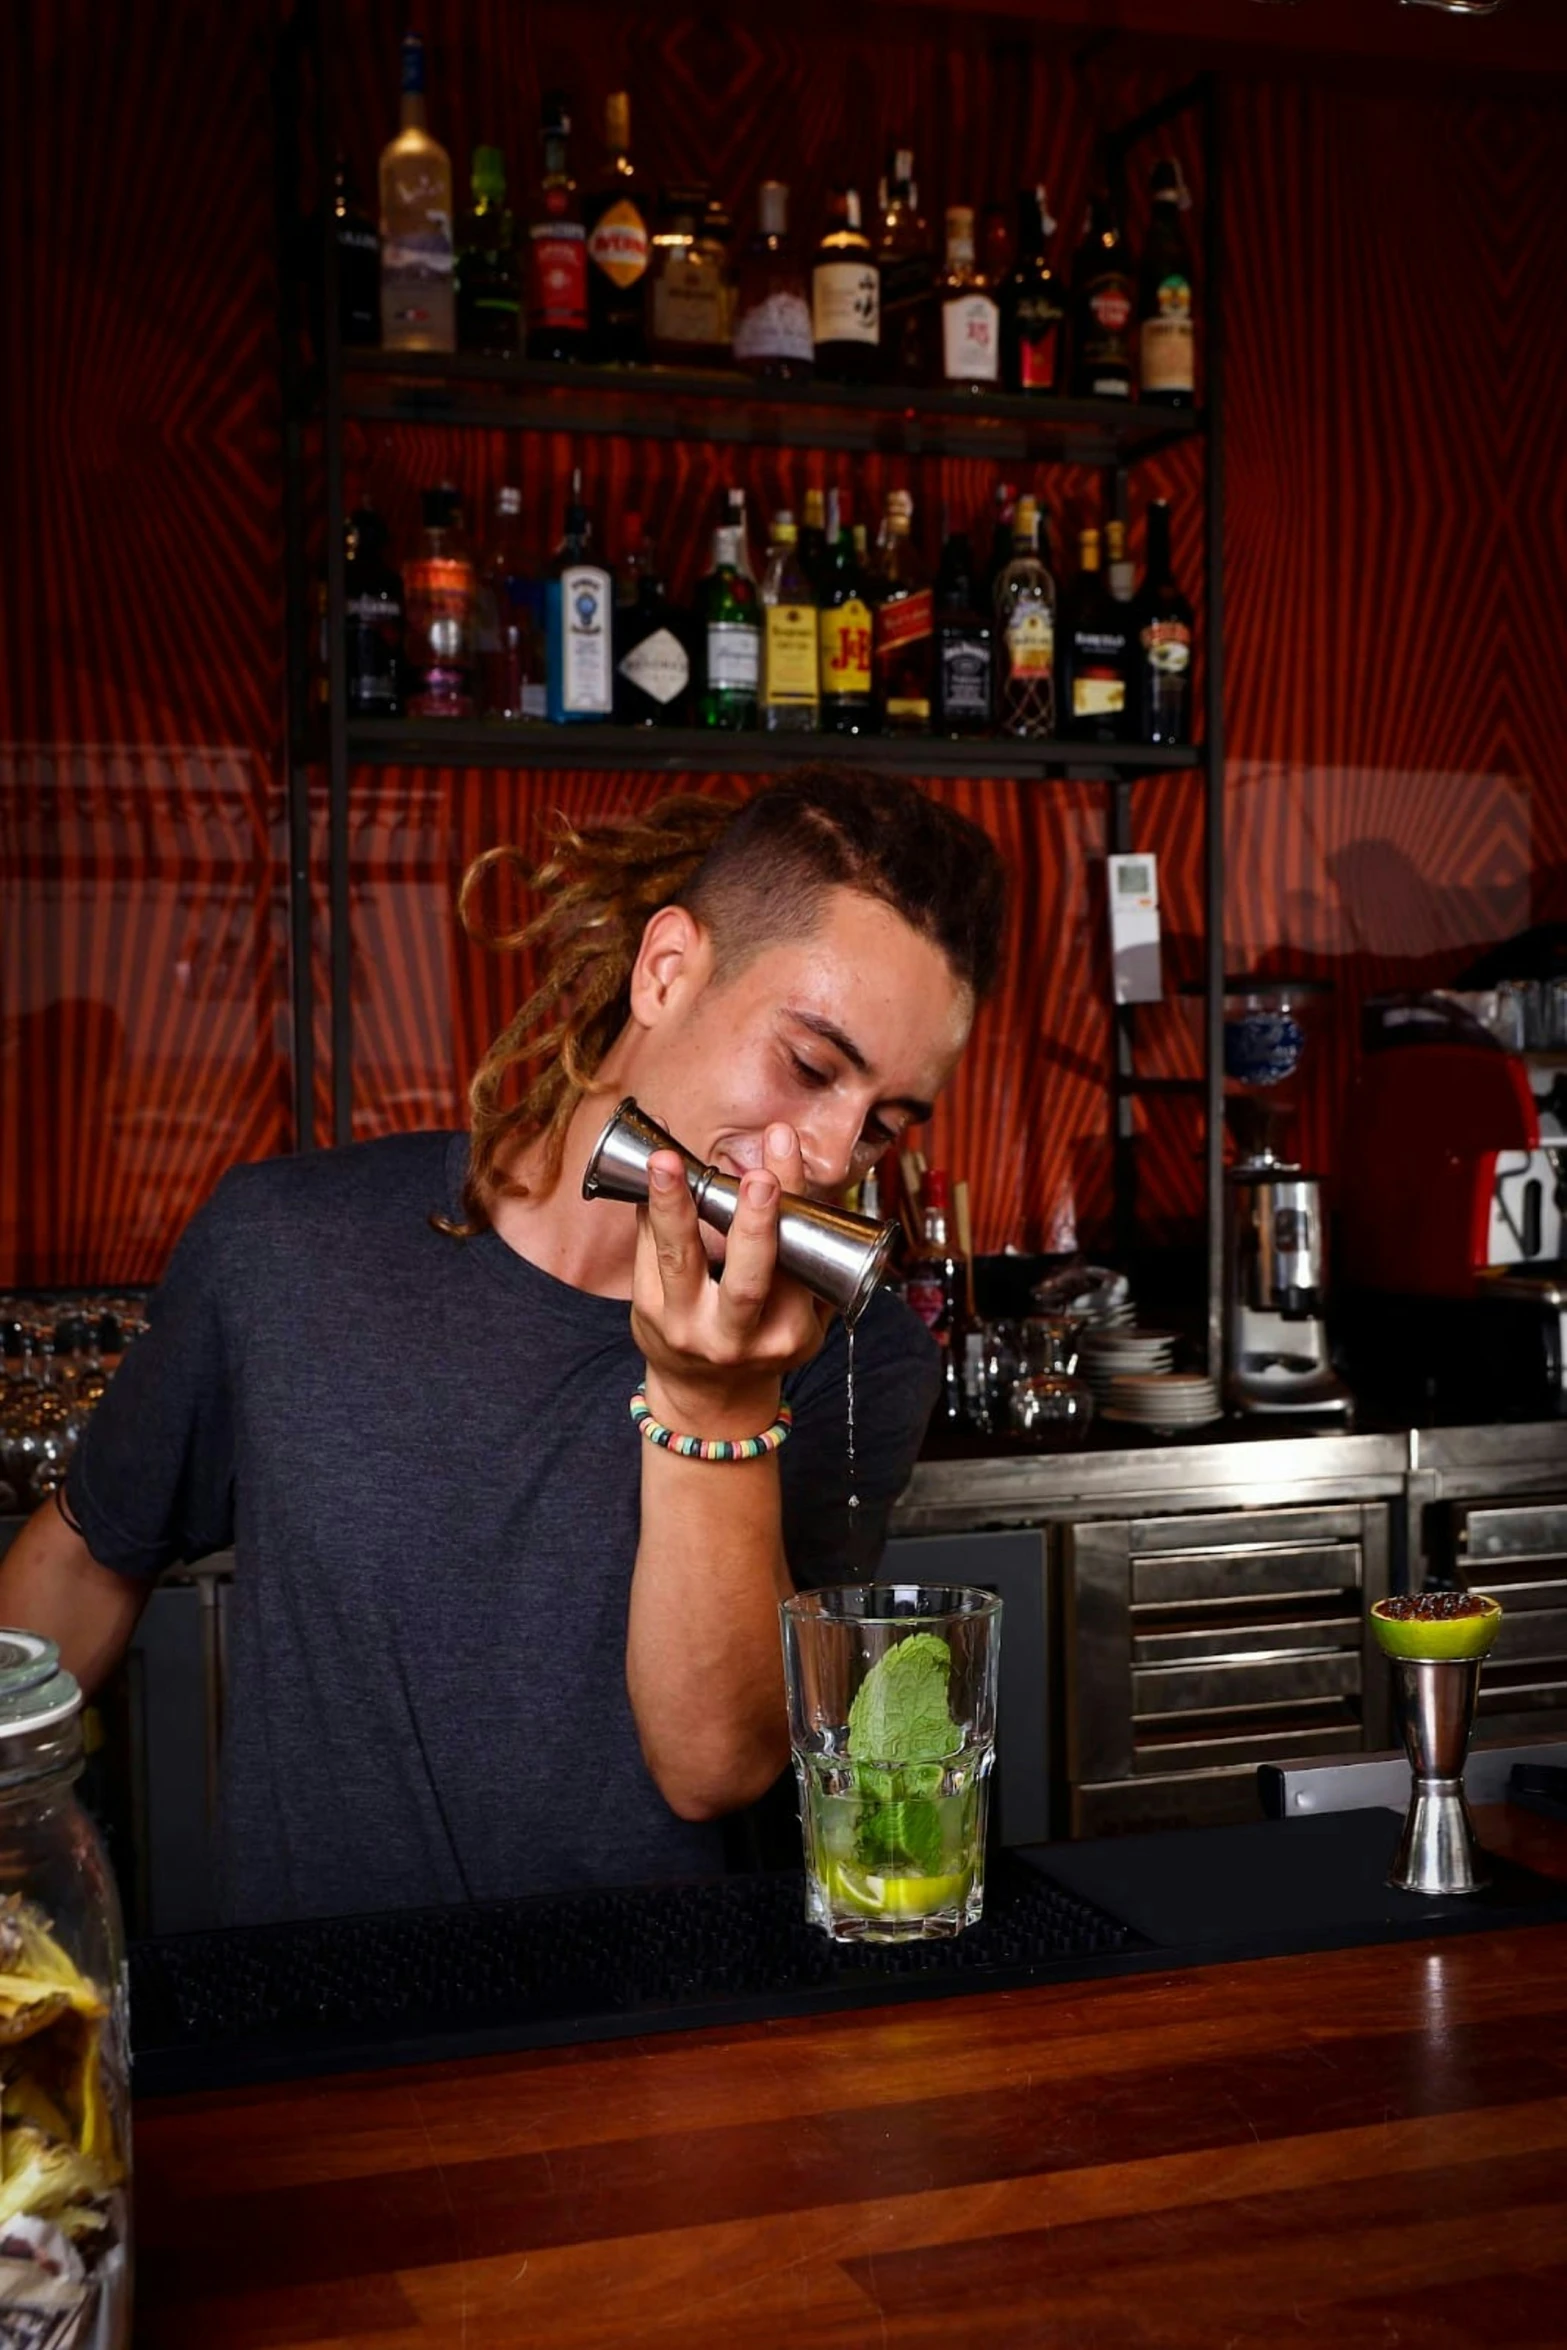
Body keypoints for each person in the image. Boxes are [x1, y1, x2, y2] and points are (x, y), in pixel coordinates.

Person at [0, 766, 1006, 1923]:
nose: (832, 1155)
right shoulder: (288, 1245)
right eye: (811, 1067)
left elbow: (716, 1764)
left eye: (882, 1121)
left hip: (660, 2048)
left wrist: (712, 1401)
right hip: (317, 2044)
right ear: (667, 970)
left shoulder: (854, 1352)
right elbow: (85, 1557)